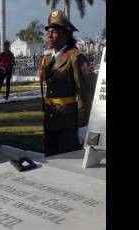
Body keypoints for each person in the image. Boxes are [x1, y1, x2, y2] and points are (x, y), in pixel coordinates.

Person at [39, 10, 95, 157]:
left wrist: (83, 125)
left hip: (68, 124)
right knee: (51, 165)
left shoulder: (75, 58)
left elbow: (84, 93)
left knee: (68, 166)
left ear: (66, 34)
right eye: (48, 31)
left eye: (54, 31)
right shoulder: (47, 59)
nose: (49, 35)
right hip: (50, 121)